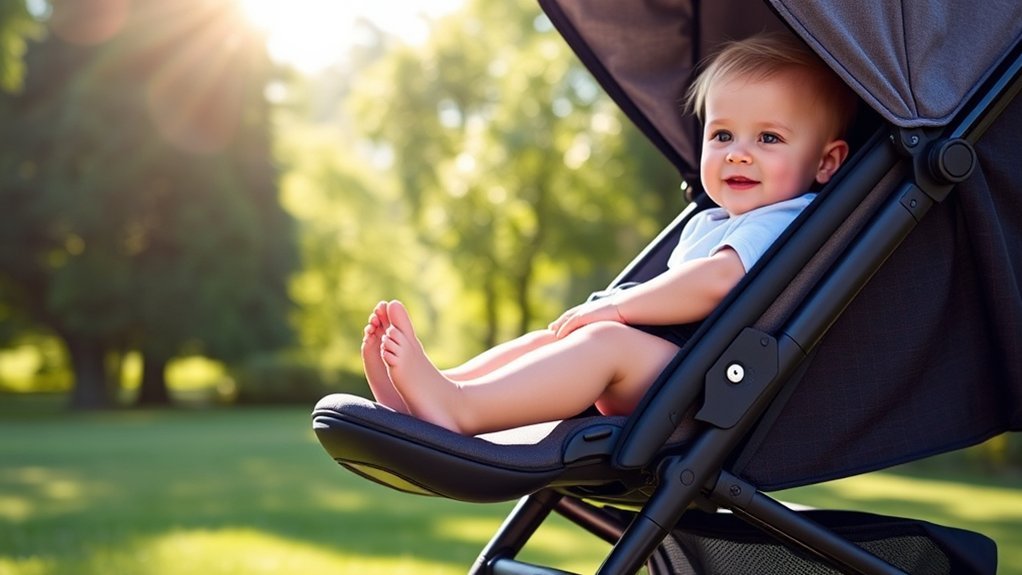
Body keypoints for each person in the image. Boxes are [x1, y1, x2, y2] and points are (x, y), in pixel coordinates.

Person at [360, 34, 857, 436]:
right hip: (670, 366)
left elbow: (718, 281)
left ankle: (460, 407)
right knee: (553, 337)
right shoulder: (714, 222)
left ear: (826, 162)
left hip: (704, 386)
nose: (738, 153)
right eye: (722, 135)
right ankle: (438, 389)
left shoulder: (787, 218)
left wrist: (619, 308)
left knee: (602, 341)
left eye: (769, 138)